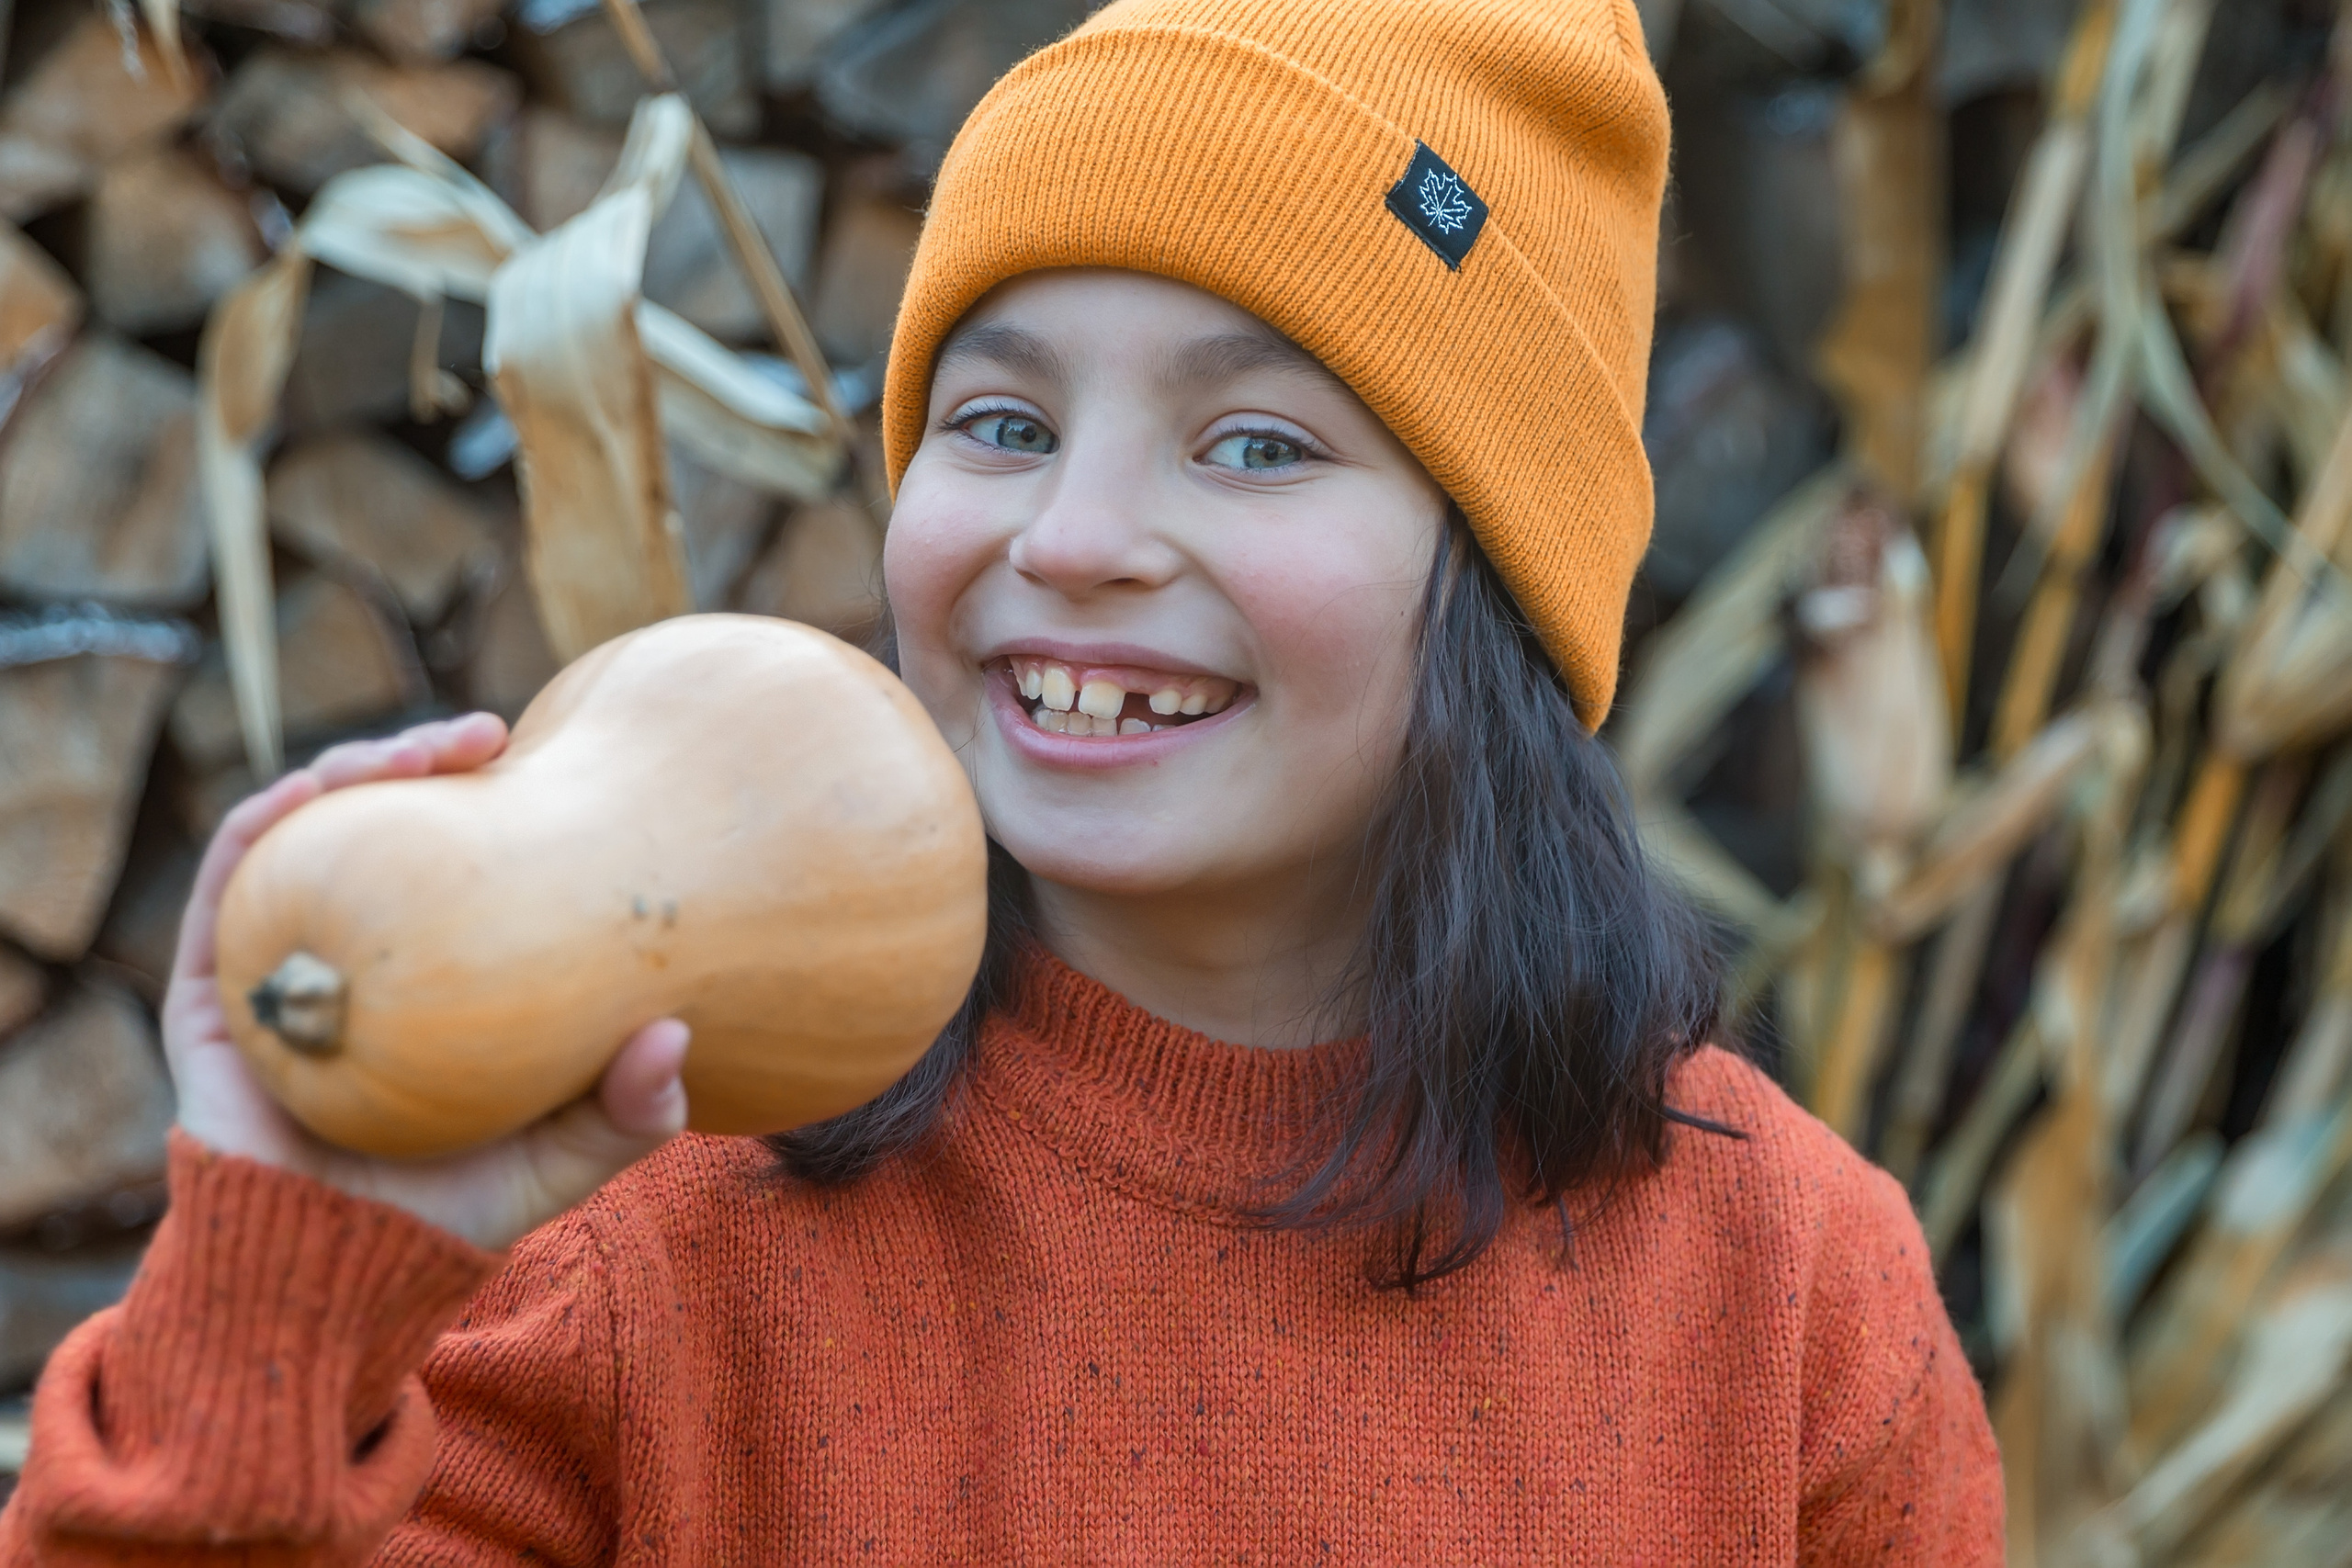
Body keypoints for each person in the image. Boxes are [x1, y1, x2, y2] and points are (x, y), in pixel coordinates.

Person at [0, 0, 2002, 1560]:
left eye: (1253, 444)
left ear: (1497, 579)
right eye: (998, 417)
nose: (1072, 533)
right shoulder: (630, 1222)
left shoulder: (1787, 1300)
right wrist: (284, 1296)